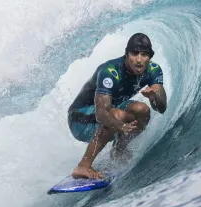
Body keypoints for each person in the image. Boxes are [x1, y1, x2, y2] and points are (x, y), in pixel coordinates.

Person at [67, 33, 167, 179]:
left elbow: (161, 108)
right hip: (80, 119)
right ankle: (83, 166)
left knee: (142, 110)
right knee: (115, 115)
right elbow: (101, 114)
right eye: (134, 54)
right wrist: (121, 126)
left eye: (144, 55)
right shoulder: (109, 72)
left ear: (150, 57)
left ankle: (119, 149)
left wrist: (154, 98)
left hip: (108, 114)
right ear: (126, 54)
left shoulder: (153, 70)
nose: (139, 60)